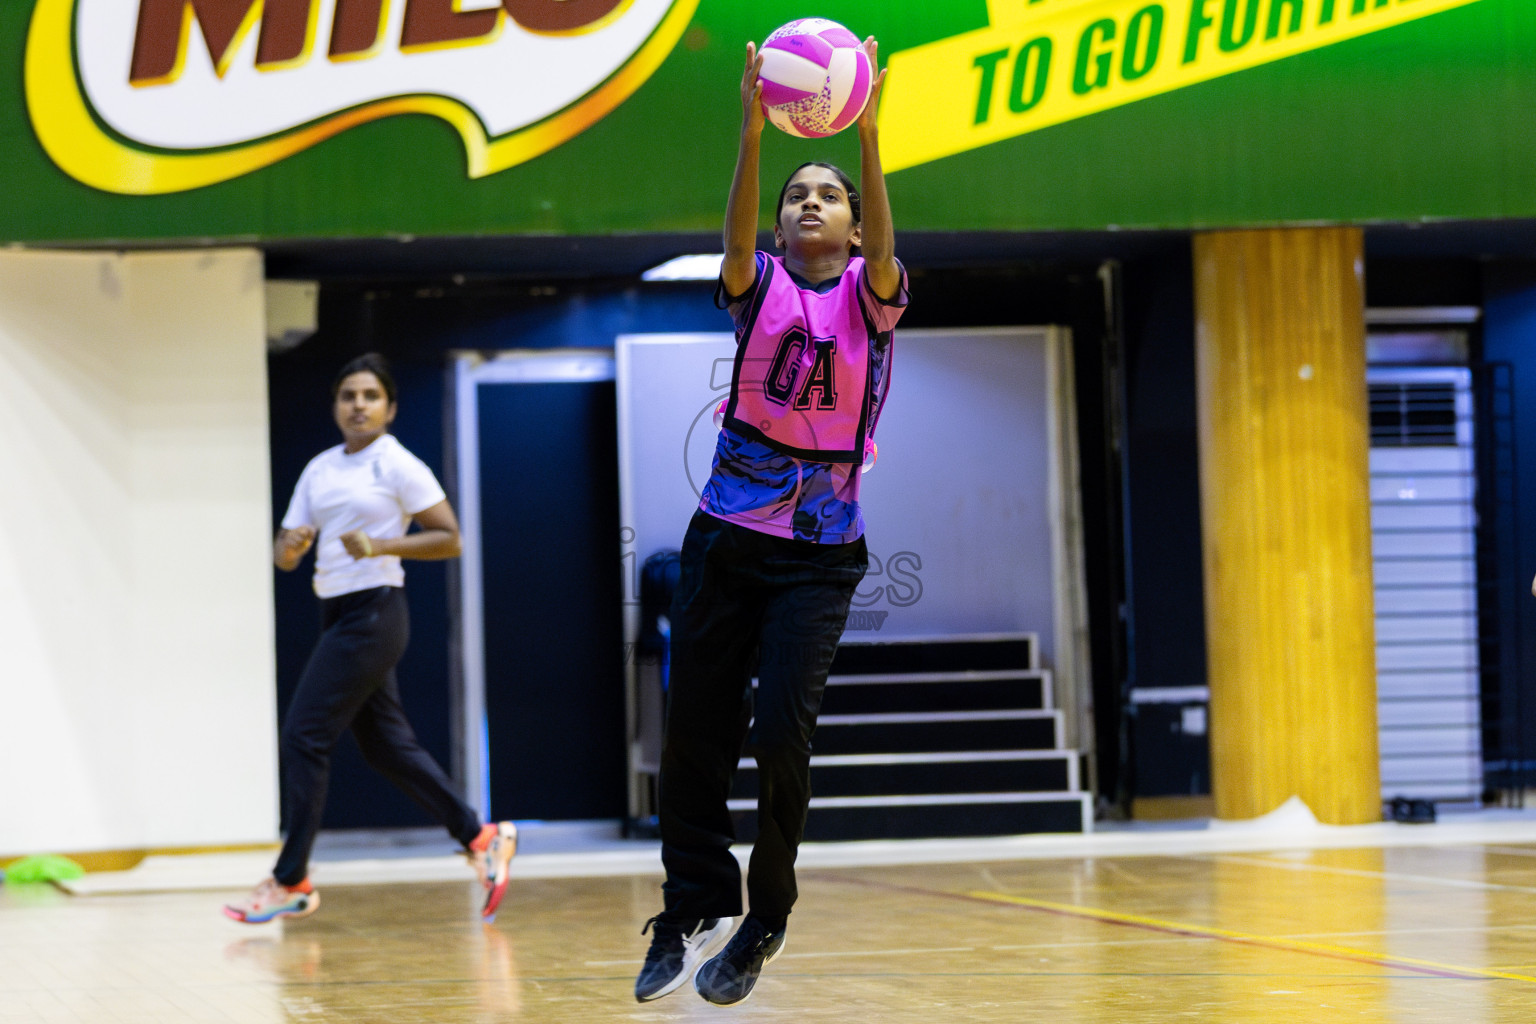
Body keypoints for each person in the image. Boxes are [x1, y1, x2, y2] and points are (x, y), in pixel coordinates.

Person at [634, 37, 908, 1006]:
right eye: (798, 196)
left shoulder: (873, 301)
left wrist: (868, 136)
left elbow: (882, 242)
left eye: (825, 195)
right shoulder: (758, 288)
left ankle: (765, 916)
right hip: (728, 536)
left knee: (782, 733)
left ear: (852, 220)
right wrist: (751, 132)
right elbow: (737, 227)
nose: (808, 205)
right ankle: (688, 901)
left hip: (822, 555)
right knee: (696, 727)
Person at [224, 354, 517, 925]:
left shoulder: (398, 465)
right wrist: (291, 547)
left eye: (369, 396)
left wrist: (382, 546)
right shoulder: (319, 469)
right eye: (347, 395)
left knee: (304, 736)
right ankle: (481, 837)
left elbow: (449, 538)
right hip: (335, 611)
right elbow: (285, 556)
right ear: (336, 407)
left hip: (377, 613)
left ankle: (291, 880)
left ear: (389, 408)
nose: (358, 404)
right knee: (385, 746)